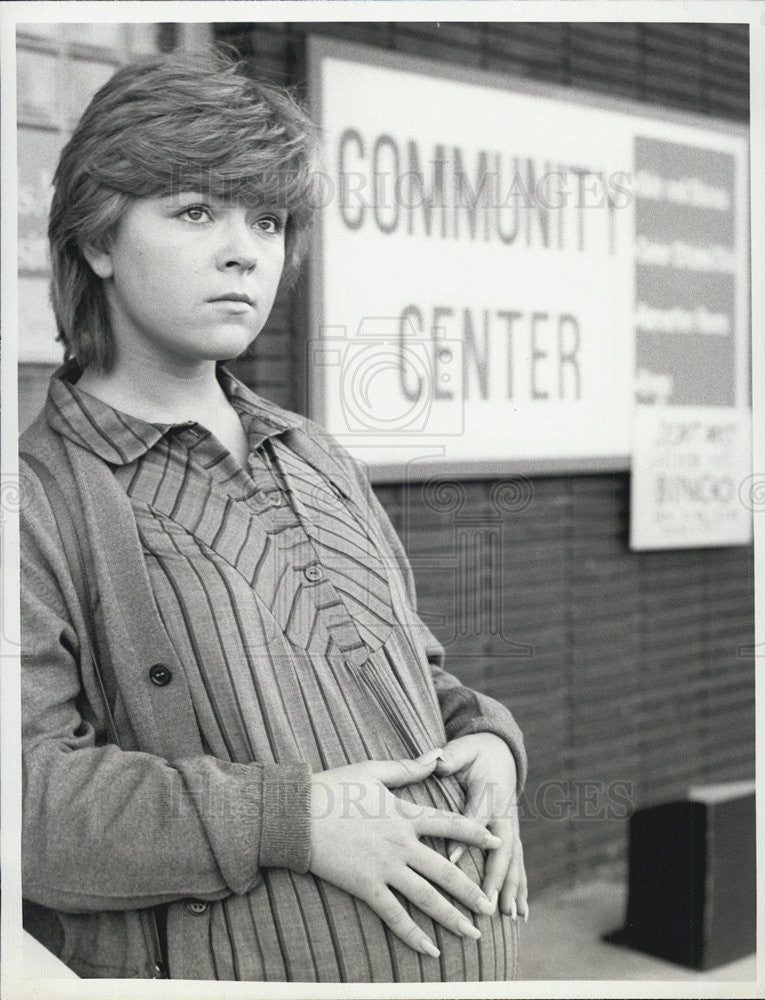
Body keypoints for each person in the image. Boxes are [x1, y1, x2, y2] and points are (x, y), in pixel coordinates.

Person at [20, 48, 528, 982]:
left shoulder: (315, 452)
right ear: (96, 240)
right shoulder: (38, 502)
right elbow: (28, 806)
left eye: (267, 219)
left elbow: (412, 676)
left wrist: (490, 739)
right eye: (196, 211)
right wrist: (296, 821)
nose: (244, 249)